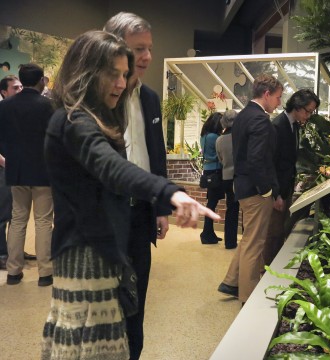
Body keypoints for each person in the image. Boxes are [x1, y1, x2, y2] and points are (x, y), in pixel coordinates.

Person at [40, 30, 219, 360]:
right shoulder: (73, 121)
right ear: (87, 72)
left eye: (125, 74)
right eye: (114, 74)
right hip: (85, 254)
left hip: (104, 248)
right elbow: (113, 169)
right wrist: (170, 193)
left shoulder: (97, 117)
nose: (122, 83)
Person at [104, 12, 170, 359]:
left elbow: (155, 155)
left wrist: (160, 207)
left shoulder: (150, 99)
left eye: (149, 49)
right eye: (138, 49)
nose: (146, 57)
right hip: (103, 219)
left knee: (137, 301)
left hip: (140, 214)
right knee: (106, 305)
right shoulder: (95, 102)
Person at [218, 74, 282, 303]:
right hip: (255, 190)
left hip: (242, 186)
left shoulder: (244, 115)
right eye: (277, 97)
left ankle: (231, 281)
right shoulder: (260, 119)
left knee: (248, 238)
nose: (279, 103)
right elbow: (257, 159)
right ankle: (248, 294)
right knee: (255, 242)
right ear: (266, 94)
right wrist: (266, 190)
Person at [0, 64, 54, 286]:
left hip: (16, 170)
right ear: (41, 80)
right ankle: (45, 273)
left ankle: (13, 272)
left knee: (18, 220)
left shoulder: (5, 106)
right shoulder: (49, 106)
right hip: (43, 171)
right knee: (43, 221)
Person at [263, 89, 320, 266]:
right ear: (297, 106)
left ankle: (275, 269)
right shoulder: (278, 125)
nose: (309, 116)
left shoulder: (294, 125)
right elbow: (270, 162)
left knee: (280, 231)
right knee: (272, 233)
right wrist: (276, 194)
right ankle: (266, 271)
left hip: (286, 187)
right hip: (277, 190)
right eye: (308, 111)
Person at [0, 74, 22, 270]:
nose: (20, 90)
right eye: (15, 88)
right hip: (4, 167)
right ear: (4, 92)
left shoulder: (18, 111)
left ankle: (15, 251)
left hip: (19, 168)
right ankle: (2, 254)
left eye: (20, 86)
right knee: (3, 212)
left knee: (17, 213)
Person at [215, 110, 240, 249]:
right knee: (246, 210)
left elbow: (220, 159)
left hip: (226, 177)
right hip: (240, 177)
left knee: (231, 209)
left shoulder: (219, 140)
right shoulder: (240, 137)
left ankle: (230, 242)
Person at [200, 112, 224, 244]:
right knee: (212, 203)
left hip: (207, 170)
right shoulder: (215, 137)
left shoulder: (203, 136)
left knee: (211, 201)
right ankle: (206, 233)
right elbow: (218, 155)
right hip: (215, 171)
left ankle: (208, 232)